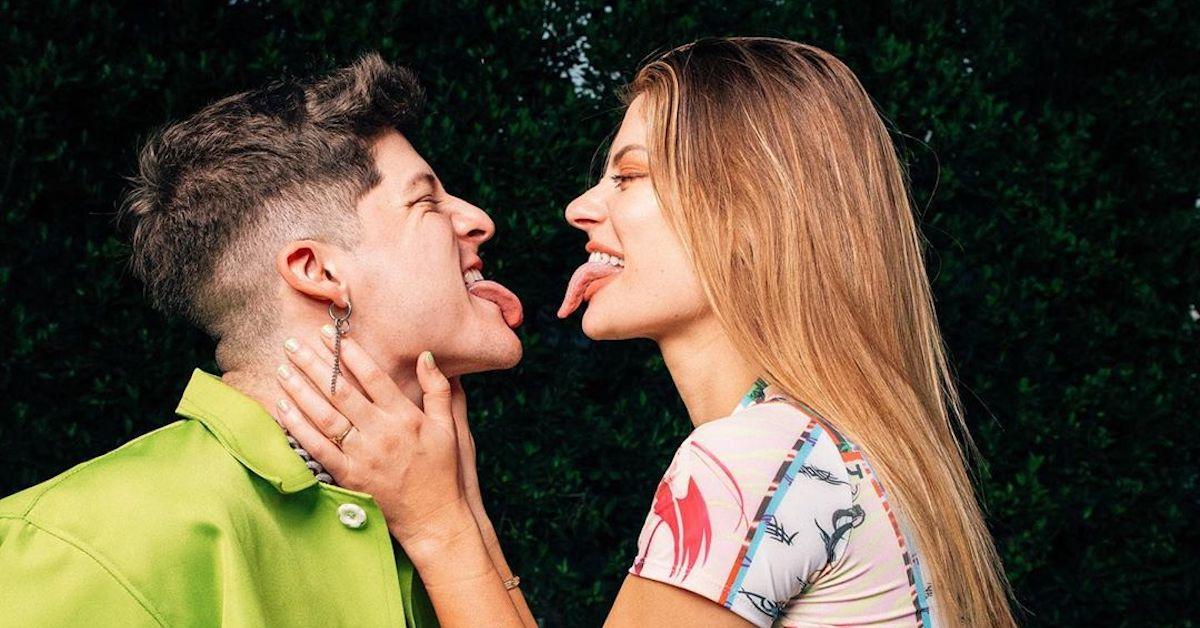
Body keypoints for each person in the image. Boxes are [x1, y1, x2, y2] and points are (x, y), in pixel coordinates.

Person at [280, 38, 1018, 627]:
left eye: (628, 177)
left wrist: (437, 525)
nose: (579, 206)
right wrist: (462, 499)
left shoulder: (753, 460)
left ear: (747, 217)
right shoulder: (821, 446)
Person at [0, 52, 531, 626]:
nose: (479, 219)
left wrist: (458, 524)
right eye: (426, 201)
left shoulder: (424, 504)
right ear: (319, 272)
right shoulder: (79, 544)